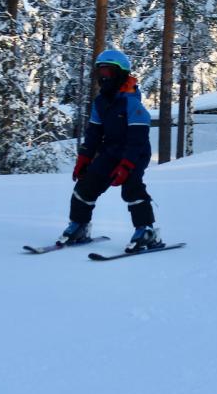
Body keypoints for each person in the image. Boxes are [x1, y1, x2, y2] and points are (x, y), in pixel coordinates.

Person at [60, 49, 162, 252]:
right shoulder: (101, 102)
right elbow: (94, 133)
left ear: (120, 74)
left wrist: (127, 164)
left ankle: (147, 230)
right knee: (86, 185)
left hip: (135, 152)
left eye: (108, 72)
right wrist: (84, 159)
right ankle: (79, 225)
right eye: (101, 72)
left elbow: (138, 139)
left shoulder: (132, 102)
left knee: (131, 186)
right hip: (111, 151)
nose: (104, 77)